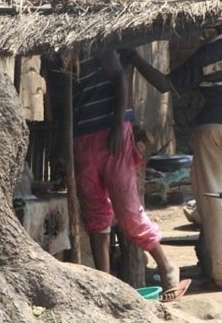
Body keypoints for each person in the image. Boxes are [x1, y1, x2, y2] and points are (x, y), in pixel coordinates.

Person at [123, 22, 222, 289]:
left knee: (215, 201)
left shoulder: (207, 53)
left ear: (214, 25)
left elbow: (165, 84)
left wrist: (134, 57)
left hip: (211, 129)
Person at [59, 50, 188, 301]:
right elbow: (61, 100)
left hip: (111, 134)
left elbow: (119, 77)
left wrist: (117, 125)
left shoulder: (96, 44)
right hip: (81, 137)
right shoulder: (59, 55)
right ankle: (104, 280)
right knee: (94, 213)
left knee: (128, 211)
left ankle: (166, 266)